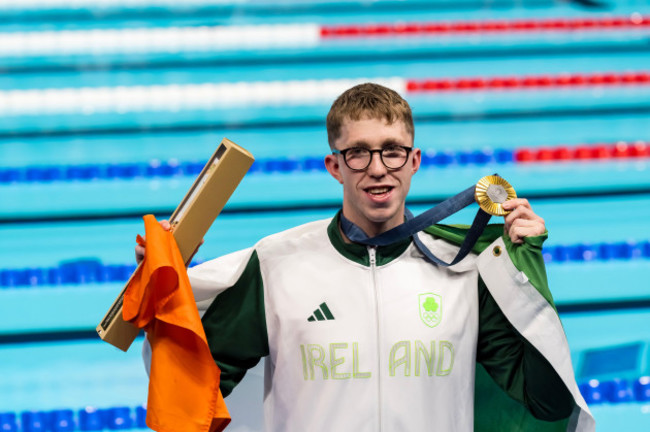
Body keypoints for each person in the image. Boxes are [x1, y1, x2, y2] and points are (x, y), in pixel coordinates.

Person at [138, 83, 593, 431]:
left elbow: (548, 400)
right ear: (334, 166)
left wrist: (527, 268)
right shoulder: (276, 264)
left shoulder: (467, 270)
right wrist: (166, 285)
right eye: (358, 153)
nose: (378, 168)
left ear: (414, 160)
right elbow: (194, 385)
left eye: (392, 151)